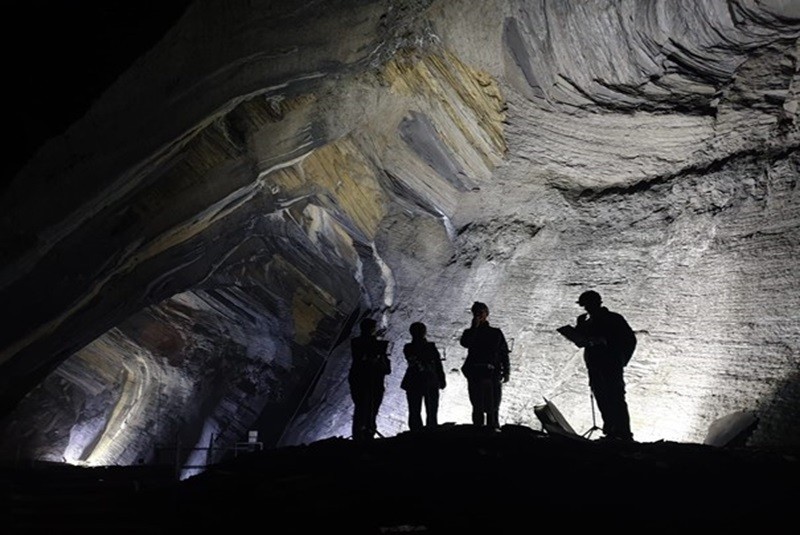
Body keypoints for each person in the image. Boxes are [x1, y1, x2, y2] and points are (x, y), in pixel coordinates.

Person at [572, 290, 637, 441]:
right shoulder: (587, 322)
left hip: (610, 364)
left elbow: (629, 340)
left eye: (588, 305)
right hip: (594, 365)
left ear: (597, 303)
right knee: (601, 396)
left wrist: (617, 355)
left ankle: (624, 433)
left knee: (615, 397)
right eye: (585, 306)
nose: (586, 309)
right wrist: (578, 328)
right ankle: (611, 431)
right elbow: (581, 342)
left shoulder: (614, 319)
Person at [459, 302, 510, 430]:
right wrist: (474, 329)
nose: (478, 315)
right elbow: (465, 343)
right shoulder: (470, 332)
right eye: (476, 313)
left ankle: (493, 431)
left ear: (486, 314)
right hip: (476, 372)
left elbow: (503, 353)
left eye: (481, 312)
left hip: (492, 373)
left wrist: (507, 371)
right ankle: (478, 432)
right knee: (477, 405)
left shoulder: (496, 333)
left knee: (493, 406)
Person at [349, 317, 391, 441]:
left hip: (370, 379)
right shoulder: (358, 342)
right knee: (363, 408)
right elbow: (360, 358)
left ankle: (367, 433)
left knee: (368, 408)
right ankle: (362, 434)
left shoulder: (361, 342)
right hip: (365, 379)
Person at [401, 322, 447, 432]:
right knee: (430, 411)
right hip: (429, 380)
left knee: (415, 411)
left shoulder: (408, 347)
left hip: (414, 381)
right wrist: (441, 379)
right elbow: (437, 364)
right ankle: (429, 434)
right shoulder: (429, 347)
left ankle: (417, 435)